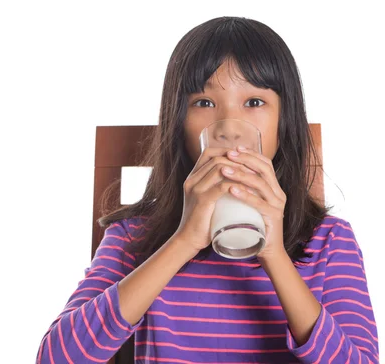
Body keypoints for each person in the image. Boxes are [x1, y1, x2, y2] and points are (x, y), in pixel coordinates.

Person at [36, 16, 379, 363]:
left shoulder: (328, 241)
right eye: (204, 102)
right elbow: (56, 357)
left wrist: (274, 254)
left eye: (254, 102)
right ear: (178, 122)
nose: (229, 127)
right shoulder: (133, 236)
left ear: (283, 121)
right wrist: (184, 240)